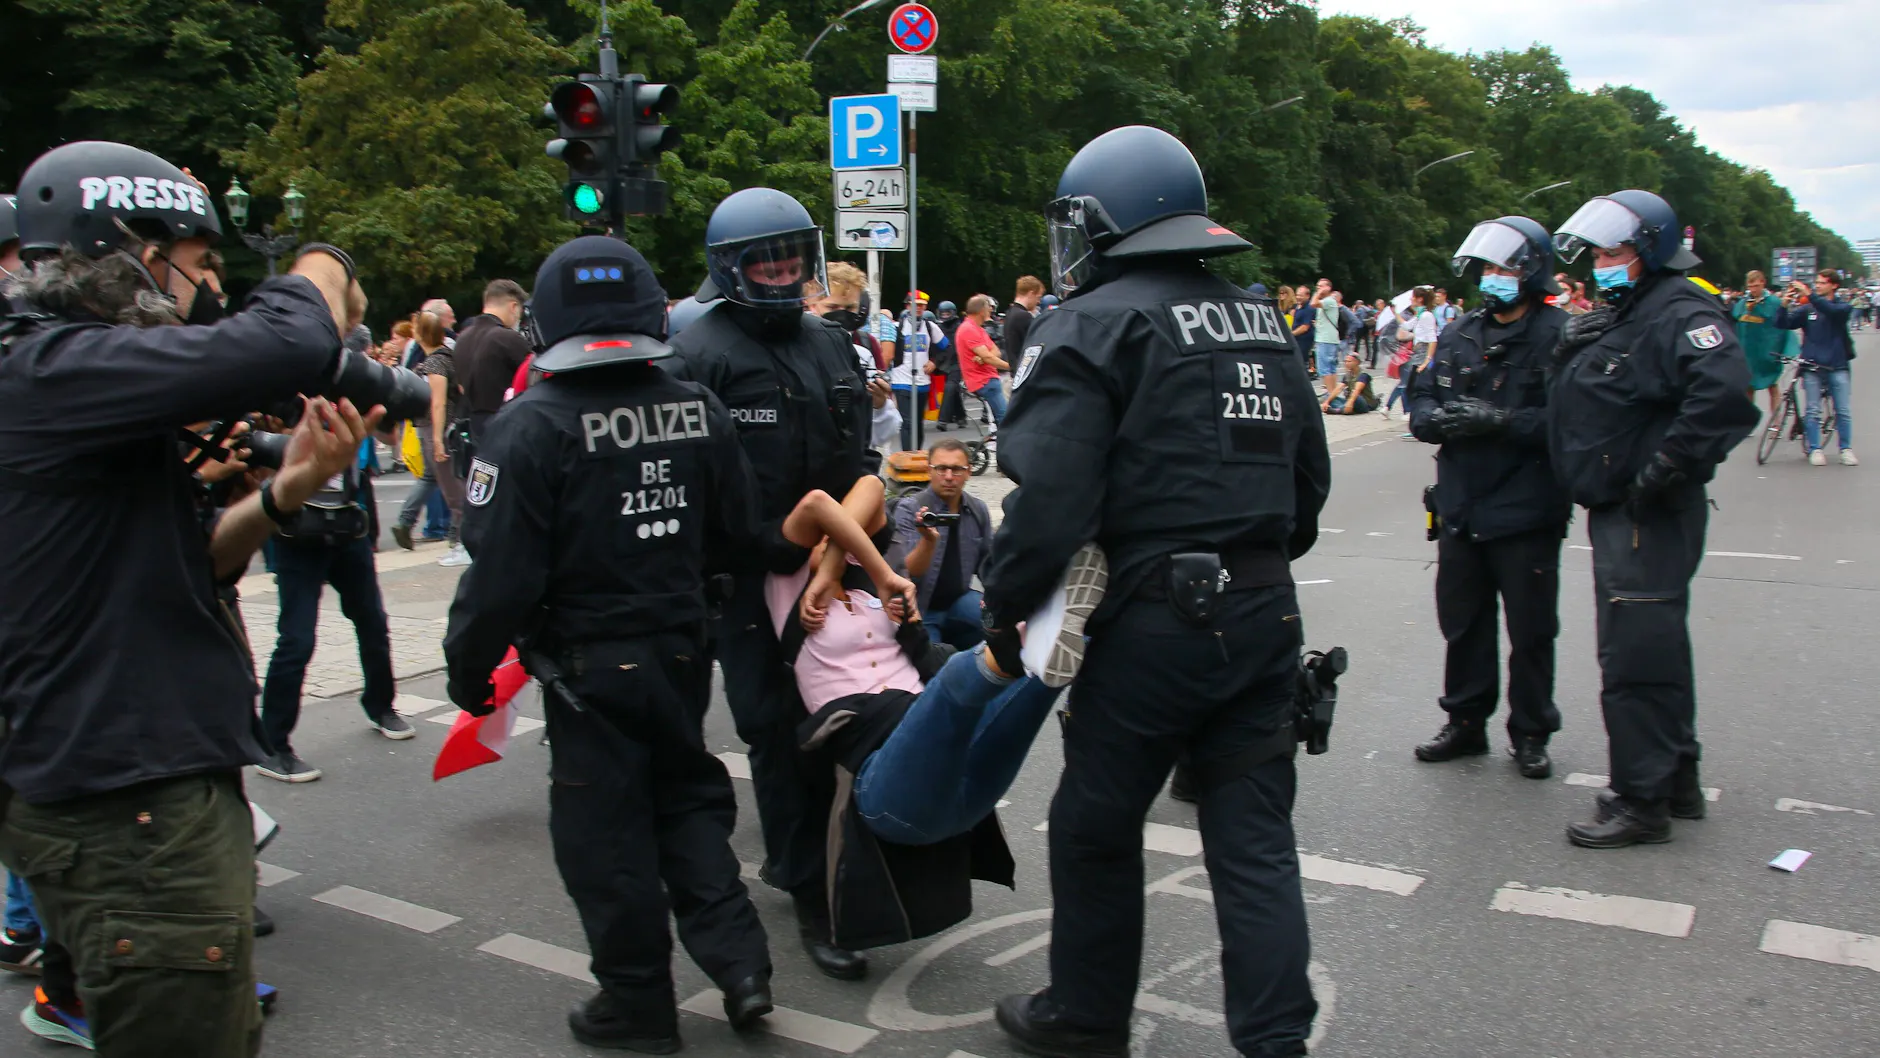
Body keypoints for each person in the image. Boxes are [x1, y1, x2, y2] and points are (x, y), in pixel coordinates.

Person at [0, 140, 380, 1056]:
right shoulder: (46, 370)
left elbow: (194, 565)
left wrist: (286, 489)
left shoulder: (68, 386)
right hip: (130, 811)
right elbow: (291, 337)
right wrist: (324, 265)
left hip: (131, 788)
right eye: (201, 265)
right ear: (133, 250)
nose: (204, 292)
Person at [983, 125, 1331, 1058]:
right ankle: (1276, 1039)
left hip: (1150, 623)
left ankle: (1087, 1017)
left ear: (1106, 223)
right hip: (1264, 608)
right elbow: (1307, 486)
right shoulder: (1261, 320)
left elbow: (1050, 500)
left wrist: (1002, 597)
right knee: (1255, 843)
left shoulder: (1092, 323)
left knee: (1096, 825)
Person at [444, 236, 778, 1050]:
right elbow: (741, 532)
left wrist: (466, 668)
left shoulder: (527, 429)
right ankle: (742, 969)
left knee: (606, 838)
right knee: (688, 802)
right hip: (680, 651)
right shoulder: (696, 406)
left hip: (589, 669)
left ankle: (637, 1005)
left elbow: (501, 580)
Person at [665, 187, 879, 980]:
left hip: (833, 568)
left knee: (847, 725)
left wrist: (838, 558)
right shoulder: (698, 355)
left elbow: (861, 464)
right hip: (744, 584)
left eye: (791, 252)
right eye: (765, 257)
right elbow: (692, 491)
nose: (782, 268)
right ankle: (808, 893)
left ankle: (848, 868)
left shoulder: (830, 344)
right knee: (777, 735)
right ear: (731, 267)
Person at [1549, 189, 1759, 847]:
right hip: (1625, 507)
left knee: (1635, 654)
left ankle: (1641, 800)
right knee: (1656, 645)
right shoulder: (1635, 308)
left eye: (1614, 253)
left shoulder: (1679, 308)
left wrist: (1663, 469)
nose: (1601, 264)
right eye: (1599, 253)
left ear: (1649, 251)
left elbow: (1724, 397)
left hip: (1645, 511)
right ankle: (1677, 780)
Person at [1408, 216, 1572, 780]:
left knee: (1530, 630)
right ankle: (1465, 722)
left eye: (1506, 268)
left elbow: (1570, 421)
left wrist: (1502, 421)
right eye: (1489, 268)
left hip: (1525, 507)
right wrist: (1426, 416)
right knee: (1463, 622)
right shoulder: (1460, 331)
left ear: (1531, 272)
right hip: (1461, 504)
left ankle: (1530, 730)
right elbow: (1423, 389)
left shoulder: (1559, 336)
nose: (1495, 278)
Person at [256, 405, 411, 782]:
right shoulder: (283, 395)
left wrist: (369, 530)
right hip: (298, 533)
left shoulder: (345, 392)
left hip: (345, 528)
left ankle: (381, 705)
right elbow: (261, 469)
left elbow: (360, 473)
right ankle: (271, 745)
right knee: (297, 639)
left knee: (372, 621)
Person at [890, 438, 994, 648]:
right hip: (923, 607)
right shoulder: (910, 508)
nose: (948, 477)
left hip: (960, 600)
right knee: (932, 662)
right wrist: (928, 541)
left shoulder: (977, 509)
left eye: (956, 469)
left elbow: (988, 563)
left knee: (1002, 627)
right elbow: (907, 569)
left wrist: (995, 598)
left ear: (968, 472)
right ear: (929, 471)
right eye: (941, 469)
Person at [391, 311, 470, 563]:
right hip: (448, 428)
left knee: (452, 490)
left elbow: (438, 403)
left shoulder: (435, 362)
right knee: (451, 485)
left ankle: (462, 543)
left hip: (439, 430)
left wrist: (437, 439)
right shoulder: (447, 356)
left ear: (421, 333)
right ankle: (459, 539)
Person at [1776, 270, 1857, 466]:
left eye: (1822, 283)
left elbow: (1831, 311)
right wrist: (1783, 306)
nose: (1818, 286)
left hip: (1837, 365)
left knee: (1842, 410)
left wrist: (1808, 293)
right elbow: (1783, 323)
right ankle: (1815, 448)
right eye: (1817, 283)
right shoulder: (1808, 309)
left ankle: (1845, 449)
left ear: (1834, 285)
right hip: (1812, 365)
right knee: (1812, 410)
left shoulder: (1841, 307)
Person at [452, 279, 531, 445]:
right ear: (513, 307)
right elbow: (534, 376)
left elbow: (460, 385)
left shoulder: (462, 339)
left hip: (474, 424)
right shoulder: (508, 338)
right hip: (509, 424)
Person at [1733, 271, 1788, 426]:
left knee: (1772, 386)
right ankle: (1747, 422)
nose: (1753, 289)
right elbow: (1736, 321)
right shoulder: (1743, 302)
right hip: (1748, 352)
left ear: (1763, 283)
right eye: (1750, 286)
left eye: (1756, 286)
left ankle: (1776, 423)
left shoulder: (1774, 302)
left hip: (1767, 351)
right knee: (1749, 387)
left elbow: (1779, 327)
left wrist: (1776, 350)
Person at [894, 291, 946, 451]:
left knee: (917, 423)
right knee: (907, 422)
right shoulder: (897, 327)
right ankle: (907, 457)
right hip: (901, 381)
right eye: (915, 305)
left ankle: (916, 456)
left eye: (922, 305)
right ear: (908, 305)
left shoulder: (930, 327)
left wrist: (934, 362)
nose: (918, 308)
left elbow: (946, 349)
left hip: (923, 382)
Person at [955, 294, 1010, 423]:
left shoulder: (978, 329)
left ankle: (996, 440)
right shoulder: (969, 329)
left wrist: (984, 356)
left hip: (988, 378)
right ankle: (1001, 442)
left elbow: (995, 352)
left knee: (1003, 417)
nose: (990, 310)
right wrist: (1011, 367)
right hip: (984, 380)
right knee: (1005, 419)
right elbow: (988, 356)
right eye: (988, 307)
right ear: (981, 310)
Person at [1003, 275, 1044, 368]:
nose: (1038, 302)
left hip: (1016, 371)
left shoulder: (1010, 313)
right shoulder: (1023, 316)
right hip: (1025, 372)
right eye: (1038, 297)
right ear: (1031, 293)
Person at [1309, 280, 1342, 379]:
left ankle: (1330, 393)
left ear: (1328, 288)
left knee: (1324, 369)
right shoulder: (1327, 301)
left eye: (1321, 286)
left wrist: (1318, 293)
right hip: (1329, 339)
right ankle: (1331, 392)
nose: (1318, 288)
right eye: (1317, 286)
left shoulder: (1329, 300)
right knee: (1331, 368)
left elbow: (1313, 304)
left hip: (1325, 339)